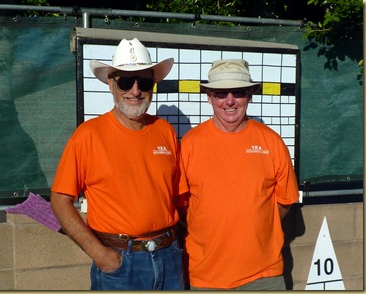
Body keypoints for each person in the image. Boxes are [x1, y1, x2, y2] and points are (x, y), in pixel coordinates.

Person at [51, 38, 188, 290]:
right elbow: (60, 199)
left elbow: (179, 197)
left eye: (144, 82)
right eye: (125, 81)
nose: (135, 91)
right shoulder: (88, 135)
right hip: (120, 264)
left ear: (152, 86)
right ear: (111, 85)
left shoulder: (165, 131)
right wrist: (102, 256)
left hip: (169, 257)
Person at [178, 59, 300, 290]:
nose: (230, 101)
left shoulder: (271, 142)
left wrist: (255, 223)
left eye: (239, 92)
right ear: (209, 97)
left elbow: (284, 202)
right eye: (221, 93)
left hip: (264, 277)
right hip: (204, 276)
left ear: (250, 95)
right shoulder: (190, 144)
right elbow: (182, 205)